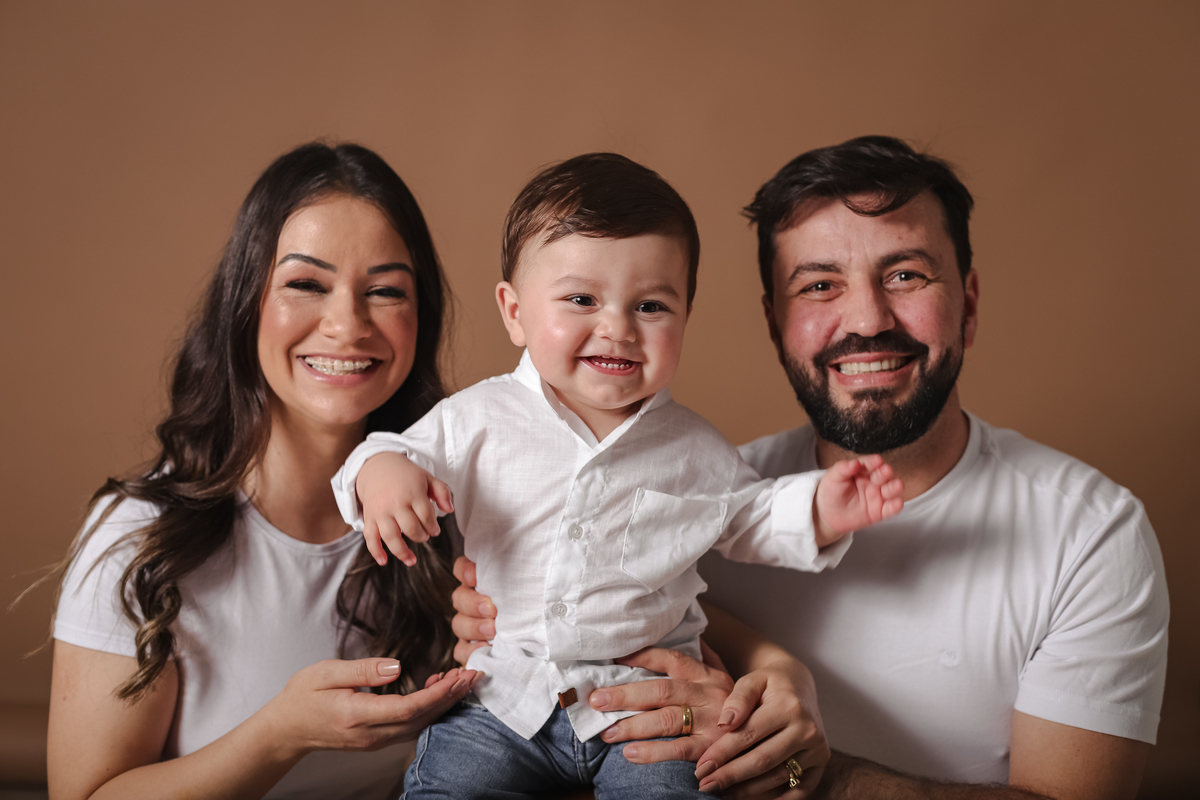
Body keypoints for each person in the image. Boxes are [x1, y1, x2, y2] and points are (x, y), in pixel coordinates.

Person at [452, 136, 1170, 800]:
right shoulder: (689, 494)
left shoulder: (1088, 534)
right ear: (775, 324)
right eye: (820, 285)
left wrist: (819, 775)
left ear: (969, 304)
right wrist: (507, 617)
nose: (867, 319)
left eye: (906, 274)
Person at [331, 152, 904, 799]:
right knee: (452, 784)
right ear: (514, 311)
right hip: (506, 697)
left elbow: (754, 515)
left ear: (686, 315)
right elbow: (388, 451)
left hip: (646, 705)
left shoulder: (694, 447)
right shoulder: (479, 417)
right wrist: (385, 472)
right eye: (581, 299)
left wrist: (823, 508)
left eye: (651, 306)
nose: (618, 328)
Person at [47, 142, 484, 800]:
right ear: (245, 302)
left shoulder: (462, 512)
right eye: (306, 285)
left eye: (385, 291)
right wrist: (281, 733)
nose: (347, 325)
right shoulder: (140, 536)